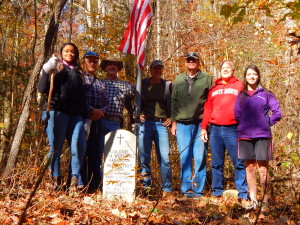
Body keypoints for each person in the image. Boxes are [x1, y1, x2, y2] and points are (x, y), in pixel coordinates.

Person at [38, 42, 88, 191]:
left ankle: (74, 179)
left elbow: (82, 97)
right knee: (56, 148)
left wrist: (87, 119)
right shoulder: (56, 68)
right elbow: (42, 89)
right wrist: (46, 70)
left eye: (73, 52)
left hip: (76, 115)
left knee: (78, 145)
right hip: (56, 111)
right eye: (67, 51)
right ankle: (55, 180)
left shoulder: (79, 72)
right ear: (61, 53)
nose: (70, 54)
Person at [234, 65, 282, 211]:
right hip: (245, 136)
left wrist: (266, 123)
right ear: (245, 76)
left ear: (258, 76)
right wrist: (243, 126)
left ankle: (264, 202)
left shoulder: (266, 94)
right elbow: (237, 115)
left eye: (254, 74)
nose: (252, 77)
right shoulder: (241, 96)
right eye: (249, 74)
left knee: (263, 169)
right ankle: (253, 200)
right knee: (249, 167)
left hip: (263, 136)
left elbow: (277, 113)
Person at [200, 60, 248, 201]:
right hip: (214, 130)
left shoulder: (240, 85)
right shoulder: (213, 89)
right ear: (219, 71)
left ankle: (243, 193)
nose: (225, 70)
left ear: (233, 71)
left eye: (228, 68)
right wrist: (204, 128)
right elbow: (208, 109)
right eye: (223, 68)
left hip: (233, 129)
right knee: (216, 163)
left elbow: (246, 105)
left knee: (238, 162)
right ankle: (217, 192)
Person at [171, 52, 213, 198]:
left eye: (193, 60)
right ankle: (186, 190)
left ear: (198, 62)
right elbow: (174, 101)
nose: (191, 62)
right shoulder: (179, 78)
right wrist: (174, 122)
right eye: (188, 60)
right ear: (185, 63)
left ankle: (198, 190)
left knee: (200, 157)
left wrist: (206, 125)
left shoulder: (206, 78)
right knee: (185, 157)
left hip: (200, 124)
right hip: (182, 124)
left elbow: (210, 101)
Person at [138, 60, 173, 197]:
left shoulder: (167, 85)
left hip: (161, 125)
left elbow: (174, 102)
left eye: (160, 68)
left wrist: (172, 118)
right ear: (150, 70)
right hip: (145, 123)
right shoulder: (143, 84)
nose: (157, 70)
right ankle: (146, 188)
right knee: (144, 157)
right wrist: (136, 114)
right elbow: (133, 99)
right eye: (155, 68)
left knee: (165, 158)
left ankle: (167, 190)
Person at [79, 51, 110, 193]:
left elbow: (107, 101)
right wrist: (91, 111)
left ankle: (95, 185)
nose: (92, 63)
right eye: (90, 61)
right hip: (83, 119)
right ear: (84, 62)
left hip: (98, 122)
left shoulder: (100, 82)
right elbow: (78, 99)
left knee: (96, 153)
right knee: (81, 152)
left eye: (95, 61)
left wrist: (101, 112)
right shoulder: (80, 78)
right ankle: (81, 183)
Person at [100, 55, 135, 133]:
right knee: (99, 145)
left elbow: (140, 94)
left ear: (118, 69)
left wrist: (139, 113)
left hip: (115, 122)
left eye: (115, 65)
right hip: (99, 121)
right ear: (105, 68)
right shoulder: (99, 83)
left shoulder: (126, 85)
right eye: (110, 64)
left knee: (113, 145)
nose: (113, 66)